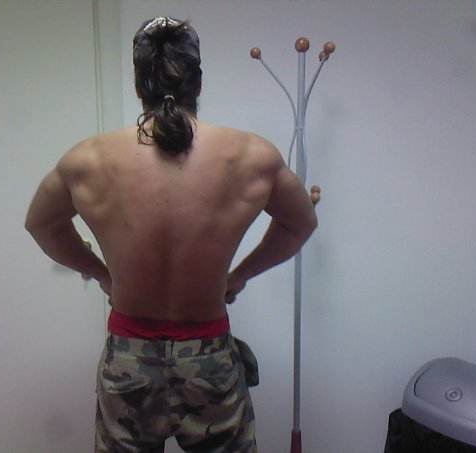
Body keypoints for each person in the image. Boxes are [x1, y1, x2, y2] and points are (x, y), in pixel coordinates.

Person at [25, 16, 318, 453]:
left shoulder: (86, 159)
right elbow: (300, 223)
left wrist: (102, 274)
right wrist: (239, 276)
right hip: (210, 359)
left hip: (128, 360)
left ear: (137, 84)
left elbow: (41, 224)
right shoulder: (252, 155)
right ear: (197, 83)